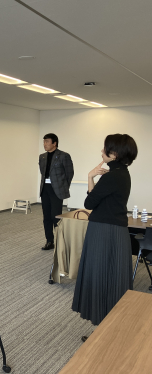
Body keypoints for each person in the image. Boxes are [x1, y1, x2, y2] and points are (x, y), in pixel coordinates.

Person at [72, 134, 138, 335]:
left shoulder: (111, 176)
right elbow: (96, 201)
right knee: (112, 277)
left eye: (105, 148)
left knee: (99, 276)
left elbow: (89, 203)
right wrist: (93, 178)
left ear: (114, 153)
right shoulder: (123, 173)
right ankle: (111, 324)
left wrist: (90, 176)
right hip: (115, 230)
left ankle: (103, 326)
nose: (102, 151)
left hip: (103, 230)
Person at [39, 133, 74, 250]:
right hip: (45, 189)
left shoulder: (64, 156)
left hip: (57, 190)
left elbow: (69, 173)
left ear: (54, 143)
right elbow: (42, 172)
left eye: (47, 142)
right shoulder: (42, 157)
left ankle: (60, 241)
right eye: (44, 142)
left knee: (56, 216)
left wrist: (63, 187)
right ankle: (49, 241)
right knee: (46, 216)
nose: (44, 144)